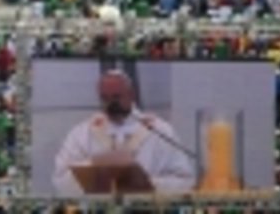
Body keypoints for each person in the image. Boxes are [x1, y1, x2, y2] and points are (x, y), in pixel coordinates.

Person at [52, 70, 196, 196]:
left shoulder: (159, 131)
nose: (111, 104)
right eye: (105, 98)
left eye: (116, 97)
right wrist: (93, 171)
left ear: (131, 95)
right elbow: (60, 178)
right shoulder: (82, 134)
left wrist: (149, 184)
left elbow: (185, 180)